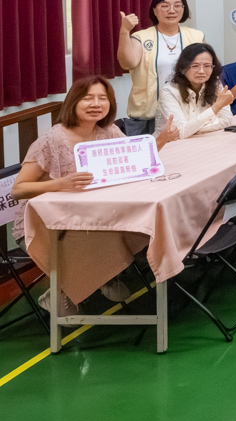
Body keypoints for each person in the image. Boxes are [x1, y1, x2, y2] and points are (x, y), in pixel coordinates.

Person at [11, 77, 169, 313]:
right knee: (104, 236)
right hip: (46, 223)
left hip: (92, 214)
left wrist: (162, 140)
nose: (96, 104)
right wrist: (60, 184)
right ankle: (67, 289)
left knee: (138, 225)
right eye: (88, 98)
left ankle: (104, 277)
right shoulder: (51, 140)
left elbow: (133, 161)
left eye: (102, 98)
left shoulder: (109, 131)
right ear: (73, 102)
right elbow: (18, 189)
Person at [115, 0, 204, 136]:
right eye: (164, 5)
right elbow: (127, 63)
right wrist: (124, 31)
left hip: (186, 112)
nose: (171, 10)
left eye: (177, 5)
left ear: (184, 9)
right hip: (147, 115)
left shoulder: (196, 36)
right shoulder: (141, 37)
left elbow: (206, 70)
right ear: (154, 10)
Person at [159, 43, 236, 138]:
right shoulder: (169, 91)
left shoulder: (216, 85)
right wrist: (216, 107)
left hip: (202, 139)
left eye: (207, 66)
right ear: (183, 68)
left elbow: (226, 121)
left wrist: (194, 129)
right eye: (195, 66)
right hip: (168, 144)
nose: (201, 71)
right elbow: (180, 132)